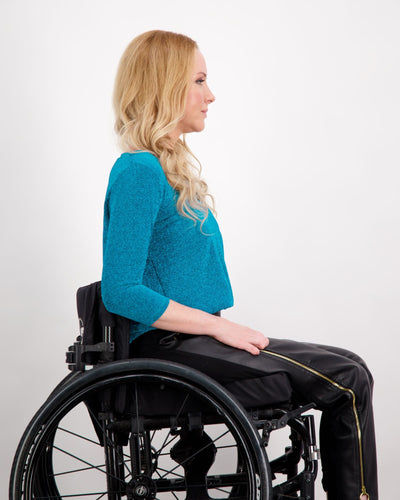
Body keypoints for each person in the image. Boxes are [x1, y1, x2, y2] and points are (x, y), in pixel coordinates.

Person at [101, 30, 378, 500]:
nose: (211, 95)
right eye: (199, 81)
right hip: (168, 351)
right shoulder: (139, 171)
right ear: (165, 86)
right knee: (347, 381)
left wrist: (214, 327)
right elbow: (121, 290)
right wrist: (216, 328)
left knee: (350, 367)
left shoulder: (166, 168)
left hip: (191, 339)